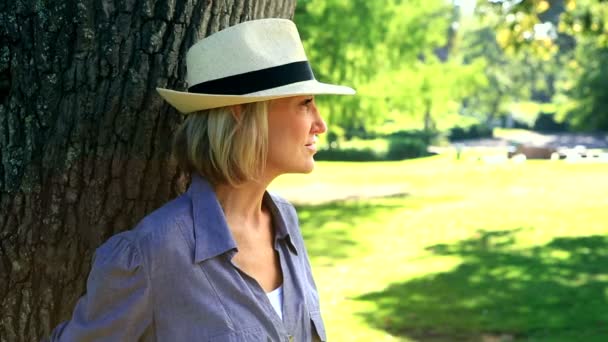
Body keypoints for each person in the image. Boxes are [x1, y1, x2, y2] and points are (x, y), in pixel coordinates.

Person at [47, 18, 354, 341]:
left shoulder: (285, 223)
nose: (320, 124)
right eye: (305, 104)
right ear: (242, 113)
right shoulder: (152, 254)